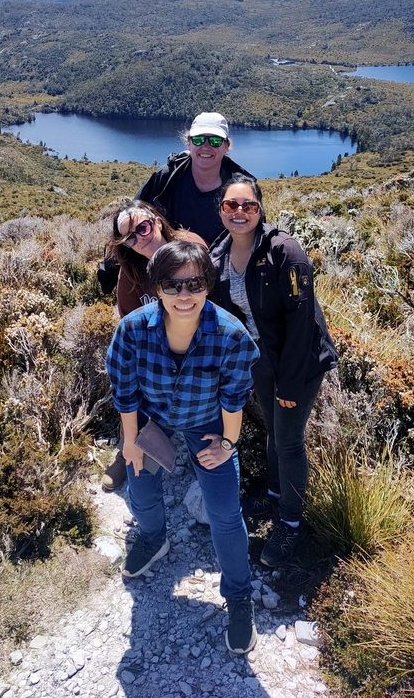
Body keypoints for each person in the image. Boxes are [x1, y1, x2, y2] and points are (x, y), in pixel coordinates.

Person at [105, 240, 260, 654]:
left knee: (225, 513)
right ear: (157, 287)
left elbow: (234, 397)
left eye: (194, 283)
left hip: (208, 422)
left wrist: (227, 443)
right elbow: (125, 392)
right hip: (153, 419)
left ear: (208, 284)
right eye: (173, 285)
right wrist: (130, 441)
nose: (184, 294)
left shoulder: (230, 335)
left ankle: (239, 598)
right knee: (140, 489)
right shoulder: (132, 330)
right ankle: (154, 539)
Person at [209, 175, 338, 568]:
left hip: (297, 363)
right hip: (260, 360)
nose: (240, 212)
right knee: (271, 431)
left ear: (260, 209)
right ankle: (276, 494)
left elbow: (302, 322)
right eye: (231, 205)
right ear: (221, 211)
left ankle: (291, 523)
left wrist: (289, 379)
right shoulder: (220, 254)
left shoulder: (286, 252)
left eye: (248, 205)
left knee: (289, 441)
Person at [100, 201, 205, 490]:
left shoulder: (191, 247)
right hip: (157, 358)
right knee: (131, 381)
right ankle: (128, 450)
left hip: (199, 349)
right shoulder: (132, 272)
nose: (140, 238)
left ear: (156, 220)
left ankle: (210, 454)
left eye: (142, 227)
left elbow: (214, 301)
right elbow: (130, 332)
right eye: (130, 238)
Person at [136, 111, 255, 248]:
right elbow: (131, 218)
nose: (205, 146)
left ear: (226, 147)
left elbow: (255, 239)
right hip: (168, 264)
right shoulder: (166, 178)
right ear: (189, 143)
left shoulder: (242, 189)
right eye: (198, 140)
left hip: (222, 266)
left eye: (215, 141)